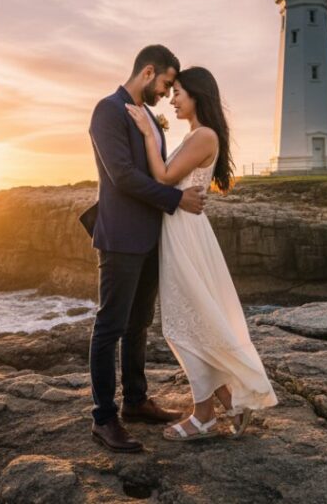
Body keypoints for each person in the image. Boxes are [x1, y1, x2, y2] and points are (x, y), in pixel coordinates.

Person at [125, 66, 278, 442]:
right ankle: (227, 399)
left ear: (197, 96)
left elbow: (162, 177)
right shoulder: (198, 135)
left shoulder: (204, 135)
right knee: (190, 321)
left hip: (185, 234)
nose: (172, 99)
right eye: (172, 92)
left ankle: (207, 413)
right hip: (180, 230)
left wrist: (148, 131)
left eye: (178, 92)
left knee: (185, 323)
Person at [84, 44, 207, 453]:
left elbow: (159, 169)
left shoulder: (149, 117)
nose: (167, 93)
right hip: (120, 237)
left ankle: (135, 401)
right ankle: (104, 418)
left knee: (138, 325)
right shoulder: (107, 110)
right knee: (110, 326)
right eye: (167, 83)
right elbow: (121, 177)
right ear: (149, 71)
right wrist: (177, 201)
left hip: (152, 238)